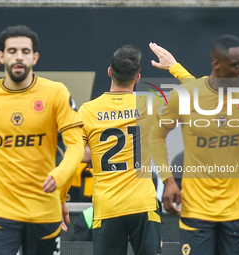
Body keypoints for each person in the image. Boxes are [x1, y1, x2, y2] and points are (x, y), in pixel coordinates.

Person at [0, 25, 84, 255]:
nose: (18, 56)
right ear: (2, 56)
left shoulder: (56, 93)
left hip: (43, 210)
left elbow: (76, 145)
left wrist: (59, 178)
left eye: (25, 51)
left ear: (35, 57)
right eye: (11, 51)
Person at [149, 35, 239, 255]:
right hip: (196, 212)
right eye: (237, 65)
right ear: (216, 64)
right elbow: (156, 134)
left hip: (238, 213)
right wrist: (168, 180)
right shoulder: (186, 95)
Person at [78, 45, 193, 255]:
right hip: (142, 205)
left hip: (107, 208)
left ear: (109, 71)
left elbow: (74, 154)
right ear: (138, 77)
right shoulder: (150, 104)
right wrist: (173, 66)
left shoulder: (87, 111)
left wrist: (60, 198)